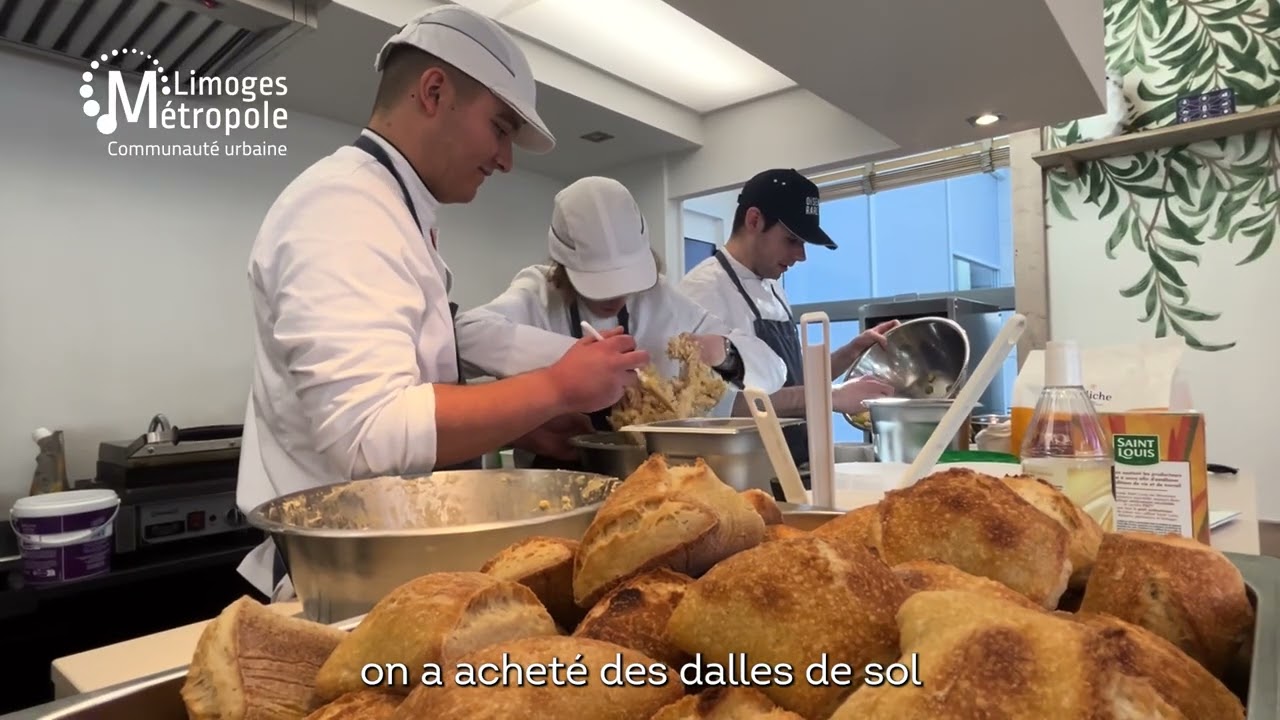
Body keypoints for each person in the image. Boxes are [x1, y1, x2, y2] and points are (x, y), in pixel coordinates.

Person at [234, 5, 649, 600]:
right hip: (338, 584)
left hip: (384, 567)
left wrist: (522, 425)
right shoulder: (343, 209)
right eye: (500, 128)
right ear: (433, 92)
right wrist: (554, 387)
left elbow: (406, 400)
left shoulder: (394, 211)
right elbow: (370, 435)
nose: (505, 159)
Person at [455, 176, 787, 464]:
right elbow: (464, 335)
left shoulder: (661, 299)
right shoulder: (537, 293)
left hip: (646, 474)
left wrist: (725, 352)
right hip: (553, 476)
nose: (615, 296)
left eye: (624, 281)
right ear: (563, 268)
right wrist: (582, 361)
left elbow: (774, 370)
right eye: (597, 284)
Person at [679, 169, 897, 419]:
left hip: (795, 444)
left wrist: (853, 351)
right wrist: (832, 396)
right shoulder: (702, 291)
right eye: (792, 240)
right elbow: (714, 405)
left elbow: (793, 378)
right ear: (754, 221)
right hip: (750, 446)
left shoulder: (773, 286)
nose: (801, 256)